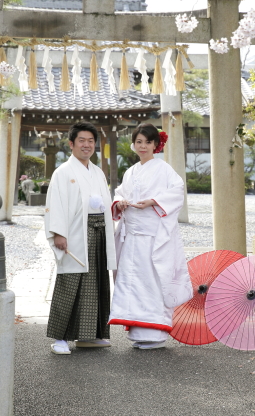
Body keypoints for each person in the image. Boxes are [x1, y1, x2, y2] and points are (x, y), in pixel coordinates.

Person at [108, 123, 192, 350]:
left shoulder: (163, 169)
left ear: (156, 144)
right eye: (138, 142)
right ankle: (137, 330)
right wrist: (120, 203)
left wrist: (153, 201)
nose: (142, 146)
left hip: (153, 237)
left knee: (153, 282)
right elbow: (119, 195)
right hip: (132, 237)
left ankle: (155, 333)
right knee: (132, 283)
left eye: (147, 142)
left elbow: (176, 191)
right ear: (133, 144)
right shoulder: (131, 171)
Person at [44, 122, 116, 355]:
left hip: (98, 232)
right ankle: (60, 338)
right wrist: (58, 233)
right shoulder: (63, 172)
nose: (87, 145)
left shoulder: (96, 171)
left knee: (96, 283)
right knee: (71, 282)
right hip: (75, 233)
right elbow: (55, 204)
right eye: (82, 141)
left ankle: (89, 336)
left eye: (90, 141)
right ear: (71, 144)